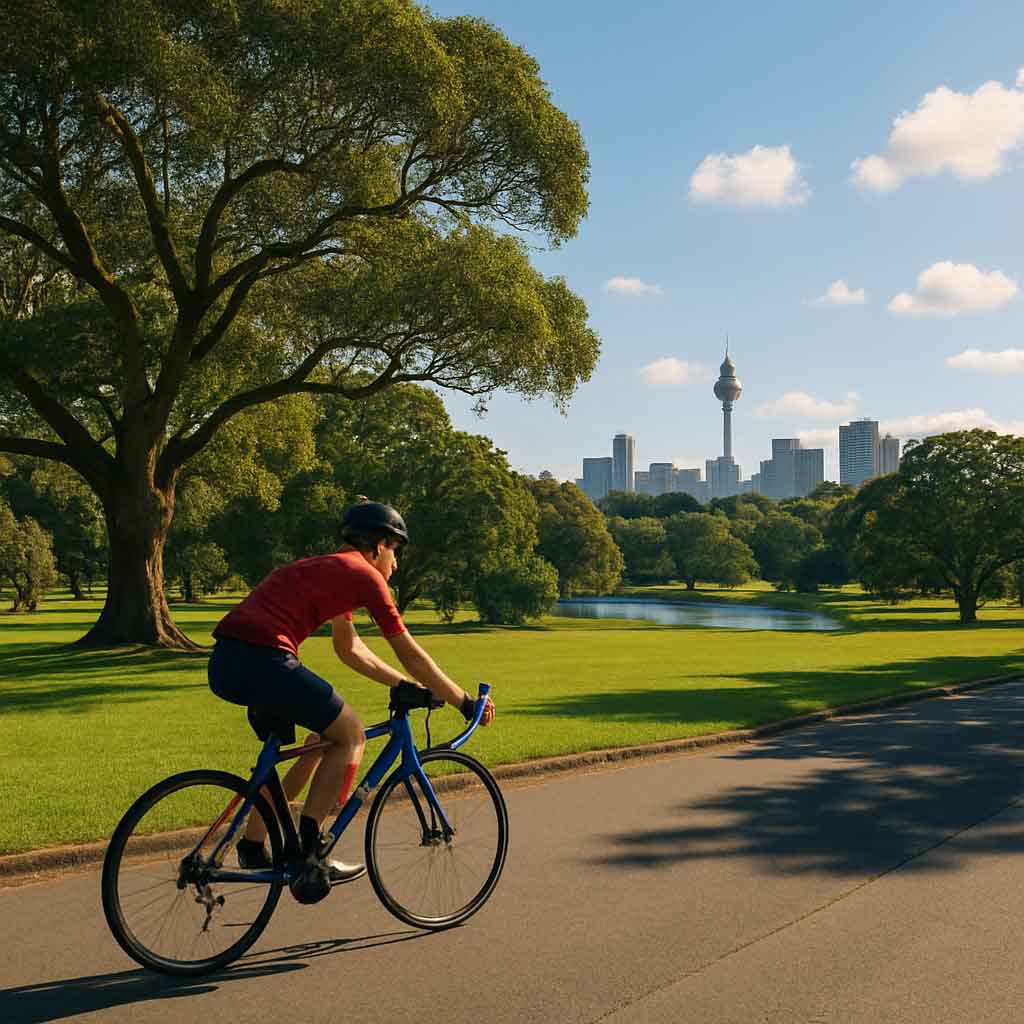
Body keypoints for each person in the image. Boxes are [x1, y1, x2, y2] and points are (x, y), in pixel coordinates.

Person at [207, 500, 495, 904]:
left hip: (227, 661)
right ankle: (313, 852)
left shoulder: (333, 569)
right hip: (265, 659)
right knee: (351, 733)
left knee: (315, 745)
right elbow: (409, 650)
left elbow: (350, 649)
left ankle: (254, 846)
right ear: (379, 546)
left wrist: (406, 684)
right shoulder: (365, 576)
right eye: (395, 551)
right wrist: (464, 701)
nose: (395, 564)